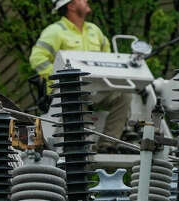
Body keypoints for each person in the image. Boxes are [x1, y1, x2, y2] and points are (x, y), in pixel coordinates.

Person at [30, 0, 130, 146]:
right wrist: (61, 78)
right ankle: (80, 147)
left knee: (124, 95)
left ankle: (107, 144)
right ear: (71, 6)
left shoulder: (94, 31)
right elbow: (37, 58)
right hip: (66, 93)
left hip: (96, 90)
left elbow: (108, 59)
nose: (86, 1)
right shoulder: (55, 31)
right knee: (76, 97)